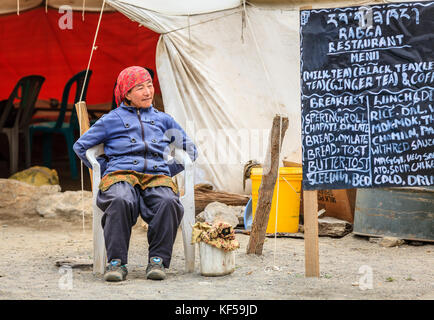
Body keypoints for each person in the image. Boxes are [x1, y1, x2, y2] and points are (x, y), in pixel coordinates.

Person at [73, 66, 197, 281]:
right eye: (140, 88)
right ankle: (116, 263)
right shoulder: (110, 120)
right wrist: (103, 167)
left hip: (157, 175)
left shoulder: (163, 120)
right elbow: (81, 146)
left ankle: (157, 260)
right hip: (120, 174)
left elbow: (190, 149)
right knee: (119, 199)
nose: (148, 92)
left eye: (149, 85)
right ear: (126, 94)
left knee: (168, 201)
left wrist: (169, 169)